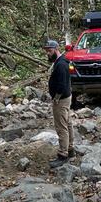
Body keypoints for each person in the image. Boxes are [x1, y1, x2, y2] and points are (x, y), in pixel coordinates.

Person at [44, 39, 75, 167]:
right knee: (67, 123)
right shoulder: (61, 61)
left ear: (56, 49)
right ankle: (70, 149)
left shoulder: (61, 64)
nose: (48, 53)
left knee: (61, 126)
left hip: (61, 99)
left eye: (50, 51)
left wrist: (56, 97)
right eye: (46, 51)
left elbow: (62, 84)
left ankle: (63, 154)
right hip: (66, 97)